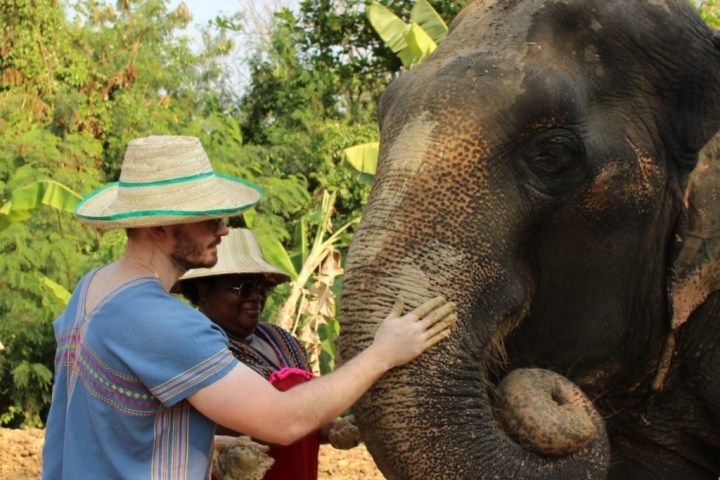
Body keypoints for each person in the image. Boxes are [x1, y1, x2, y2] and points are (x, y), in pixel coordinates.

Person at [41, 135, 457, 479]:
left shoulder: (92, 289)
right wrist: (384, 352)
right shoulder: (162, 320)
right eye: (208, 220)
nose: (223, 230)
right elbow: (282, 420)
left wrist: (214, 445)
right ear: (159, 226)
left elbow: (110, 424)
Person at [176, 227, 361, 480]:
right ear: (204, 291)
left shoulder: (283, 340)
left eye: (261, 288)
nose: (255, 298)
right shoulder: (198, 350)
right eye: (244, 288)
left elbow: (306, 420)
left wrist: (333, 429)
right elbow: (267, 427)